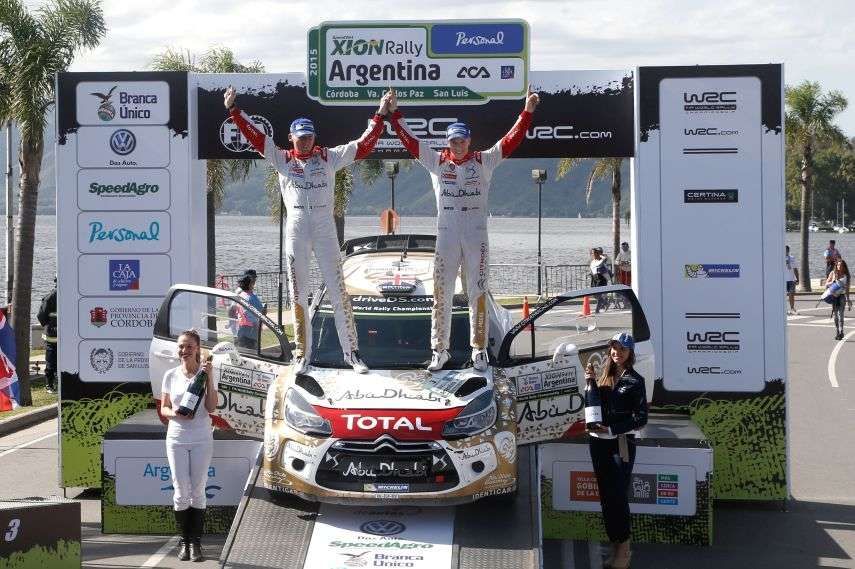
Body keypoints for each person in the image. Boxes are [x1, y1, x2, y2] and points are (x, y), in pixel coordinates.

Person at [224, 87, 394, 374]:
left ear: (315, 137)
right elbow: (256, 138)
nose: (304, 142)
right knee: (298, 293)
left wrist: (380, 114)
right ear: (291, 138)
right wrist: (233, 111)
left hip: (325, 226)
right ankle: (302, 355)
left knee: (339, 292)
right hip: (297, 227)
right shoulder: (283, 159)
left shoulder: (328, 158)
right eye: (300, 137)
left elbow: (363, 146)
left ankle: (351, 354)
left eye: (309, 137)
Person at [387, 86, 540, 372]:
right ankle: (439, 350)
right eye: (453, 141)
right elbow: (411, 142)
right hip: (447, 230)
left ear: (469, 141)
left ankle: (479, 350)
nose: (458, 146)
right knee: (441, 292)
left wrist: (527, 112)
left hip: (475, 232)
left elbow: (510, 141)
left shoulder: (484, 161)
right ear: (448, 142)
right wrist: (396, 115)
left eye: (462, 141)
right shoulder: (436, 161)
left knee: (477, 291)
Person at [585, 332, 648, 569]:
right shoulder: (604, 376)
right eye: (614, 348)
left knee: (618, 496)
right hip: (598, 442)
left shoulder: (635, 380)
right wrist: (589, 382)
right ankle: (615, 545)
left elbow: (640, 418)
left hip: (620, 443)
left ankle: (624, 550)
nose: (617, 352)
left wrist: (611, 427)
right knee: (606, 497)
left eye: (622, 349)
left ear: (630, 353)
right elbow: (592, 407)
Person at [159, 330, 218, 562]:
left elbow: (212, 408)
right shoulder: (170, 375)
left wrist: (210, 377)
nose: (184, 351)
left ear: (198, 348)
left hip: (202, 437)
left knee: (198, 489)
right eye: (181, 346)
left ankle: (196, 544)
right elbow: (163, 409)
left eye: (189, 346)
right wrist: (175, 414)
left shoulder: (205, 375)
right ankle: (184, 542)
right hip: (176, 438)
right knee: (181, 492)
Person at [36, 279, 57, 393]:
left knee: (50, 360)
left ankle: (50, 385)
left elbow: (41, 317)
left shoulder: (49, 297)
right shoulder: (72, 293)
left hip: (52, 336)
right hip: (68, 336)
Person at [234, 274, 264, 350]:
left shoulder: (240, 295)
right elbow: (261, 311)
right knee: (252, 350)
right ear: (250, 284)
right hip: (251, 328)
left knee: (241, 349)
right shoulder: (251, 297)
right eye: (252, 283)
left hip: (241, 327)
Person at [825, 257, 851, 340]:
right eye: (838, 265)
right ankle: (837, 331)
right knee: (836, 315)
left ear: (844, 266)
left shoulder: (845, 276)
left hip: (842, 296)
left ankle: (842, 331)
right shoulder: (833, 273)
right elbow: (826, 283)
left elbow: (847, 289)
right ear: (836, 265)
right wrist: (832, 282)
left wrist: (848, 299)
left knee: (841, 315)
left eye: (841, 265)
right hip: (834, 296)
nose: (840, 266)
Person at [590, 248, 612, 313]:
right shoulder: (593, 261)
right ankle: (606, 303)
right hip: (595, 278)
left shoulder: (601, 260)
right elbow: (593, 268)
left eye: (594, 253)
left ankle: (597, 310)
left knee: (599, 294)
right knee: (594, 294)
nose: (592, 254)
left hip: (601, 278)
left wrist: (600, 255)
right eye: (592, 253)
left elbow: (605, 259)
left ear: (597, 254)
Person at [785, 246, 799, 315]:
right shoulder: (779, 257)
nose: (786, 252)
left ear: (788, 251)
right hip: (783, 280)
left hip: (791, 279)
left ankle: (792, 308)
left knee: (791, 295)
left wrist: (797, 279)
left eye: (787, 250)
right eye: (784, 250)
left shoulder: (792, 258)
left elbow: (795, 269)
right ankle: (785, 309)